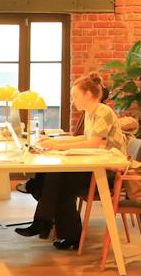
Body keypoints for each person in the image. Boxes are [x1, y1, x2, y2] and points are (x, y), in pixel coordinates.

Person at [30, 71, 124, 250]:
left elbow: (93, 143)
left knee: (58, 180)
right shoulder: (91, 112)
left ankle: (48, 223)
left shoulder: (103, 111)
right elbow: (84, 139)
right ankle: (52, 226)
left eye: (75, 96)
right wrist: (55, 142)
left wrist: (58, 146)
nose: (73, 100)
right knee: (55, 178)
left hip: (109, 170)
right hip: (98, 165)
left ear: (88, 95)